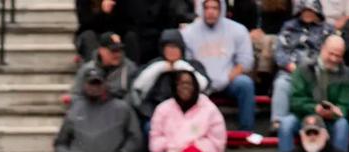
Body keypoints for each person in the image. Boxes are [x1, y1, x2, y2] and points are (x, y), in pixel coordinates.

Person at [183, 0, 257, 134]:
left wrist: (228, 78)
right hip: (200, 81)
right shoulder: (188, 32)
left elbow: (246, 61)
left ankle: (246, 133)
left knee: (245, 84)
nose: (211, 11)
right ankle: (192, 132)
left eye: (215, 8)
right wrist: (201, 80)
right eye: (207, 8)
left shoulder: (238, 30)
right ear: (201, 9)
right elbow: (187, 63)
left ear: (221, 9)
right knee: (185, 85)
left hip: (229, 80)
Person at [279, 33, 349, 152]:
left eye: (338, 56)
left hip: (331, 120)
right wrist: (315, 109)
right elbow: (296, 101)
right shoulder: (303, 69)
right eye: (331, 53)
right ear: (323, 48)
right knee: (286, 124)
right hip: (303, 117)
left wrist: (335, 112)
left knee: (343, 124)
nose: (334, 59)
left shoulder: (346, 74)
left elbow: (346, 105)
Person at [270, 0, 334, 133]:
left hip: (316, 72)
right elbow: (280, 52)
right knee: (282, 83)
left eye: (311, 11)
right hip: (291, 70)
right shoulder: (288, 27)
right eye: (305, 11)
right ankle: (277, 122)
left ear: (318, 12)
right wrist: (290, 66)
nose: (308, 14)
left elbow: (329, 53)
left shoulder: (327, 29)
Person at [129, 28, 210, 127]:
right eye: (168, 47)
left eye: (175, 47)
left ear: (181, 48)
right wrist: (159, 68)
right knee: (149, 127)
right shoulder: (154, 65)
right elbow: (138, 86)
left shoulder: (193, 65)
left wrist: (181, 66)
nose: (172, 51)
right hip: (156, 113)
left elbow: (203, 85)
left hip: (189, 112)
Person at [71, 31, 138, 101]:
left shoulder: (130, 69)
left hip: (119, 109)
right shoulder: (87, 69)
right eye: (113, 51)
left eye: (119, 50)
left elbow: (134, 98)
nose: (117, 55)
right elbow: (76, 95)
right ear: (101, 50)